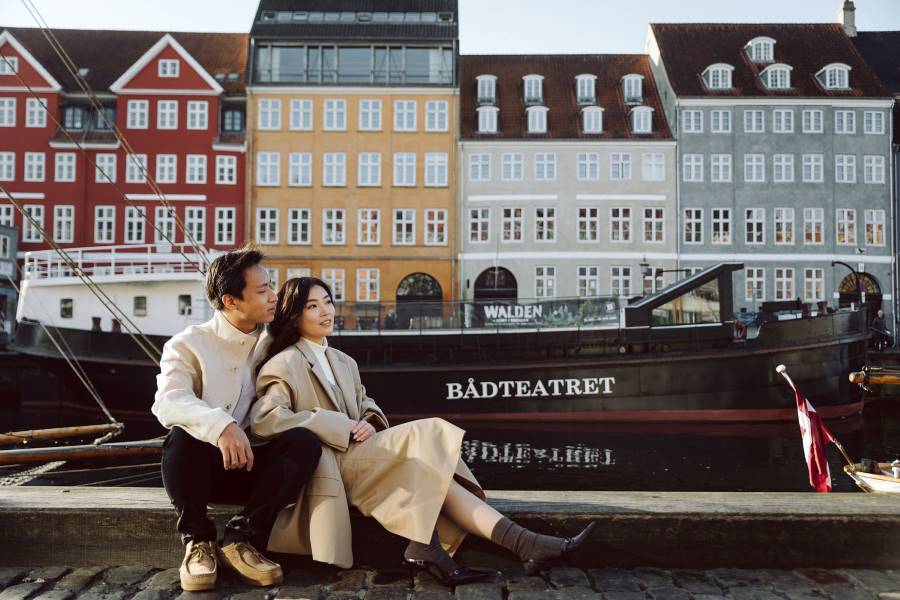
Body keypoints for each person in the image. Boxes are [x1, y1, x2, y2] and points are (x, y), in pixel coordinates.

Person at [250, 277, 595, 586]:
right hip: (333, 467)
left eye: (327, 301)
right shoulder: (285, 362)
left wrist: (369, 423)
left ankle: (523, 544)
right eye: (312, 306)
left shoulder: (343, 361)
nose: (325, 310)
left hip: (364, 459)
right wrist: (338, 425)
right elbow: (266, 418)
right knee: (431, 432)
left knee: (437, 477)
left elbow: (366, 404)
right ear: (294, 316)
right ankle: (433, 545)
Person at [152, 247, 321, 592]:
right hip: (202, 472)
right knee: (181, 438)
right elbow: (168, 401)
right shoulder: (187, 344)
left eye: (270, 287)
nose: (274, 297)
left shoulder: (272, 341)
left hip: (253, 471)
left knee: (304, 442)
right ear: (231, 301)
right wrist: (222, 426)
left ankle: (240, 539)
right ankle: (197, 541)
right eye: (262, 291)